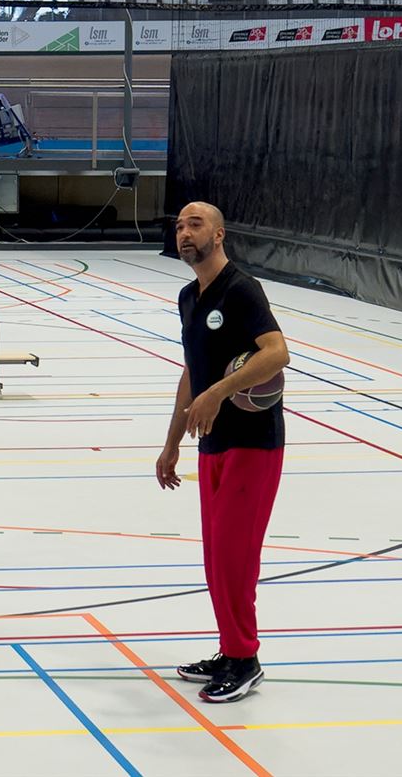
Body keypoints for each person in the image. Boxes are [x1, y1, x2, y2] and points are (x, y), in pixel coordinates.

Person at [158, 201, 291, 704]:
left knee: (236, 558)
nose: (184, 232)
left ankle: (245, 660)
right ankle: (231, 649)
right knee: (216, 560)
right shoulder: (188, 297)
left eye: (195, 225)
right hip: (211, 443)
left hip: (253, 444)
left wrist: (217, 392)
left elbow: (277, 353)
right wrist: (171, 442)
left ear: (219, 235)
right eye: (179, 226)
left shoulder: (241, 289)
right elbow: (192, 371)